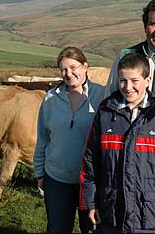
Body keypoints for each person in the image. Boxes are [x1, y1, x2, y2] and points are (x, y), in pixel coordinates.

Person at [80, 53, 155, 233]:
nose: (128, 87)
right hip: (111, 211)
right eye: (123, 81)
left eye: (134, 81)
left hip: (149, 214)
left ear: (148, 80)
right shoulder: (105, 113)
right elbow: (89, 164)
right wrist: (91, 203)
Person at [33, 47, 105, 233]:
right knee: (57, 229)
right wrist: (40, 173)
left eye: (74, 67)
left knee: (91, 229)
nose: (69, 73)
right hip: (57, 179)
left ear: (85, 66)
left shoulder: (101, 96)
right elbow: (42, 138)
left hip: (91, 181)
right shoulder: (50, 99)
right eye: (63, 69)